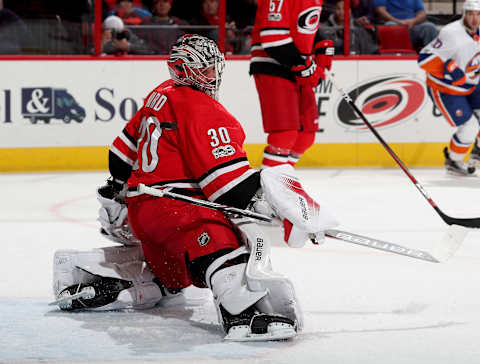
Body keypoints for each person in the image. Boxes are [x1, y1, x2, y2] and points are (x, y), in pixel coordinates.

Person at [51, 34, 338, 341]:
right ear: (182, 68)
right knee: (225, 241)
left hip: (142, 213)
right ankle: (243, 314)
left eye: (215, 68)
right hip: (176, 210)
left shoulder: (159, 95)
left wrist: (118, 190)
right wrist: (279, 208)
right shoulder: (205, 110)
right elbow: (227, 186)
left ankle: (126, 283)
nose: (213, 77)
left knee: (173, 278)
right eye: (205, 69)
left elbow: (119, 154)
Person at [250, 0, 334, 168]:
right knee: (284, 135)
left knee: (306, 135)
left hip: (298, 63)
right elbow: (273, 39)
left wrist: (321, 43)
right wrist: (303, 65)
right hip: (273, 63)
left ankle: (280, 181)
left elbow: (302, 24)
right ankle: (270, 190)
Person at [418, 0, 480, 176]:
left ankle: (478, 150)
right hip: (446, 88)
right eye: (470, 14)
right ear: (464, 14)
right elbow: (424, 59)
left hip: (472, 83)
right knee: (470, 128)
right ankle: (454, 160)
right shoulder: (451, 33)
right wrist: (450, 70)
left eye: (478, 14)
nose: (474, 19)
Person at [372, 0, 438, 51]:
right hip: (393, 24)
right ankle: (396, 55)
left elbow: (422, 13)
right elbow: (380, 10)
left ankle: (431, 55)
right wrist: (398, 22)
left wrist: (413, 21)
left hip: (412, 25)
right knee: (391, 26)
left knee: (429, 27)